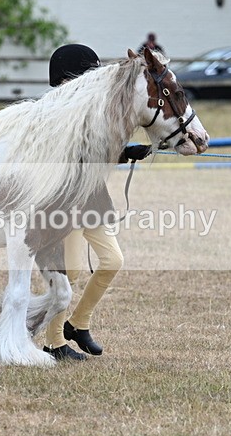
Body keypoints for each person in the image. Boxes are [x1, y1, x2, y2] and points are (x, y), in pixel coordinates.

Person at [43, 44, 152, 361]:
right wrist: (120, 152)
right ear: (67, 78)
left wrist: (124, 152)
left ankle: (78, 323)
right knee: (70, 271)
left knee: (112, 260)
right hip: (63, 201)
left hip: (91, 198)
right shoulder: (51, 111)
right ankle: (54, 343)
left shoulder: (90, 108)